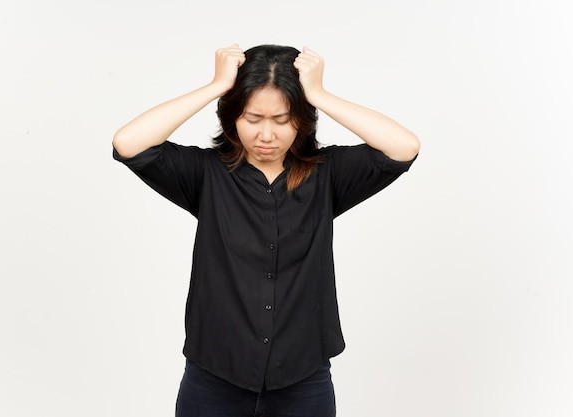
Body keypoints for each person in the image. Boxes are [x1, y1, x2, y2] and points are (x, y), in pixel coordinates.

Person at [112, 43, 420, 417]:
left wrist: (319, 94)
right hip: (213, 378)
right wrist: (215, 86)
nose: (266, 135)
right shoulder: (206, 175)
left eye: (282, 119)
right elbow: (128, 144)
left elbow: (404, 148)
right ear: (232, 118)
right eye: (252, 118)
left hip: (303, 381)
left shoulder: (328, 175)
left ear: (302, 120)